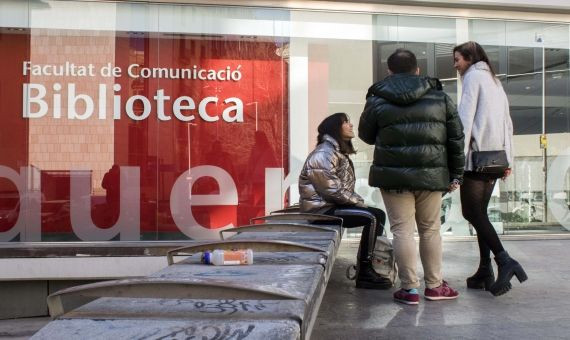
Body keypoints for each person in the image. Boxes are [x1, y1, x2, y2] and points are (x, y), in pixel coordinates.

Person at [359, 49, 465, 305]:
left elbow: (366, 135)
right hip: (431, 175)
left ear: (390, 71)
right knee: (430, 230)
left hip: (393, 177)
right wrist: (457, 174)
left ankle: (409, 289)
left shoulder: (377, 97)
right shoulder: (439, 96)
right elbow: (456, 138)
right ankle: (434, 286)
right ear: (417, 70)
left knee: (402, 231)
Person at [453, 41, 527, 296]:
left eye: (458, 59)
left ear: (470, 58)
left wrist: (457, 163)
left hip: (477, 159)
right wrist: (509, 160)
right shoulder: (495, 81)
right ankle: (485, 269)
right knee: (480, 213)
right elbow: (508, 123)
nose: (456, 65)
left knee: (471, 212)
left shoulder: (473, 78)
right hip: (496, 159)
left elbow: (464, 122)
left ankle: (505, 261)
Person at [299, 112, 391, 290]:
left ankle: (371, 265)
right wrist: (358, 201)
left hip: (329, 207)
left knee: (376, 215)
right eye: (346, 122)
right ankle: (365, 271)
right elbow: (331, 190)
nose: (351, 125)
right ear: (335, 128)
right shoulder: (324, 153)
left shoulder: (334, 151)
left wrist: (356, 201)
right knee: (372, 217)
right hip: (321, 211)